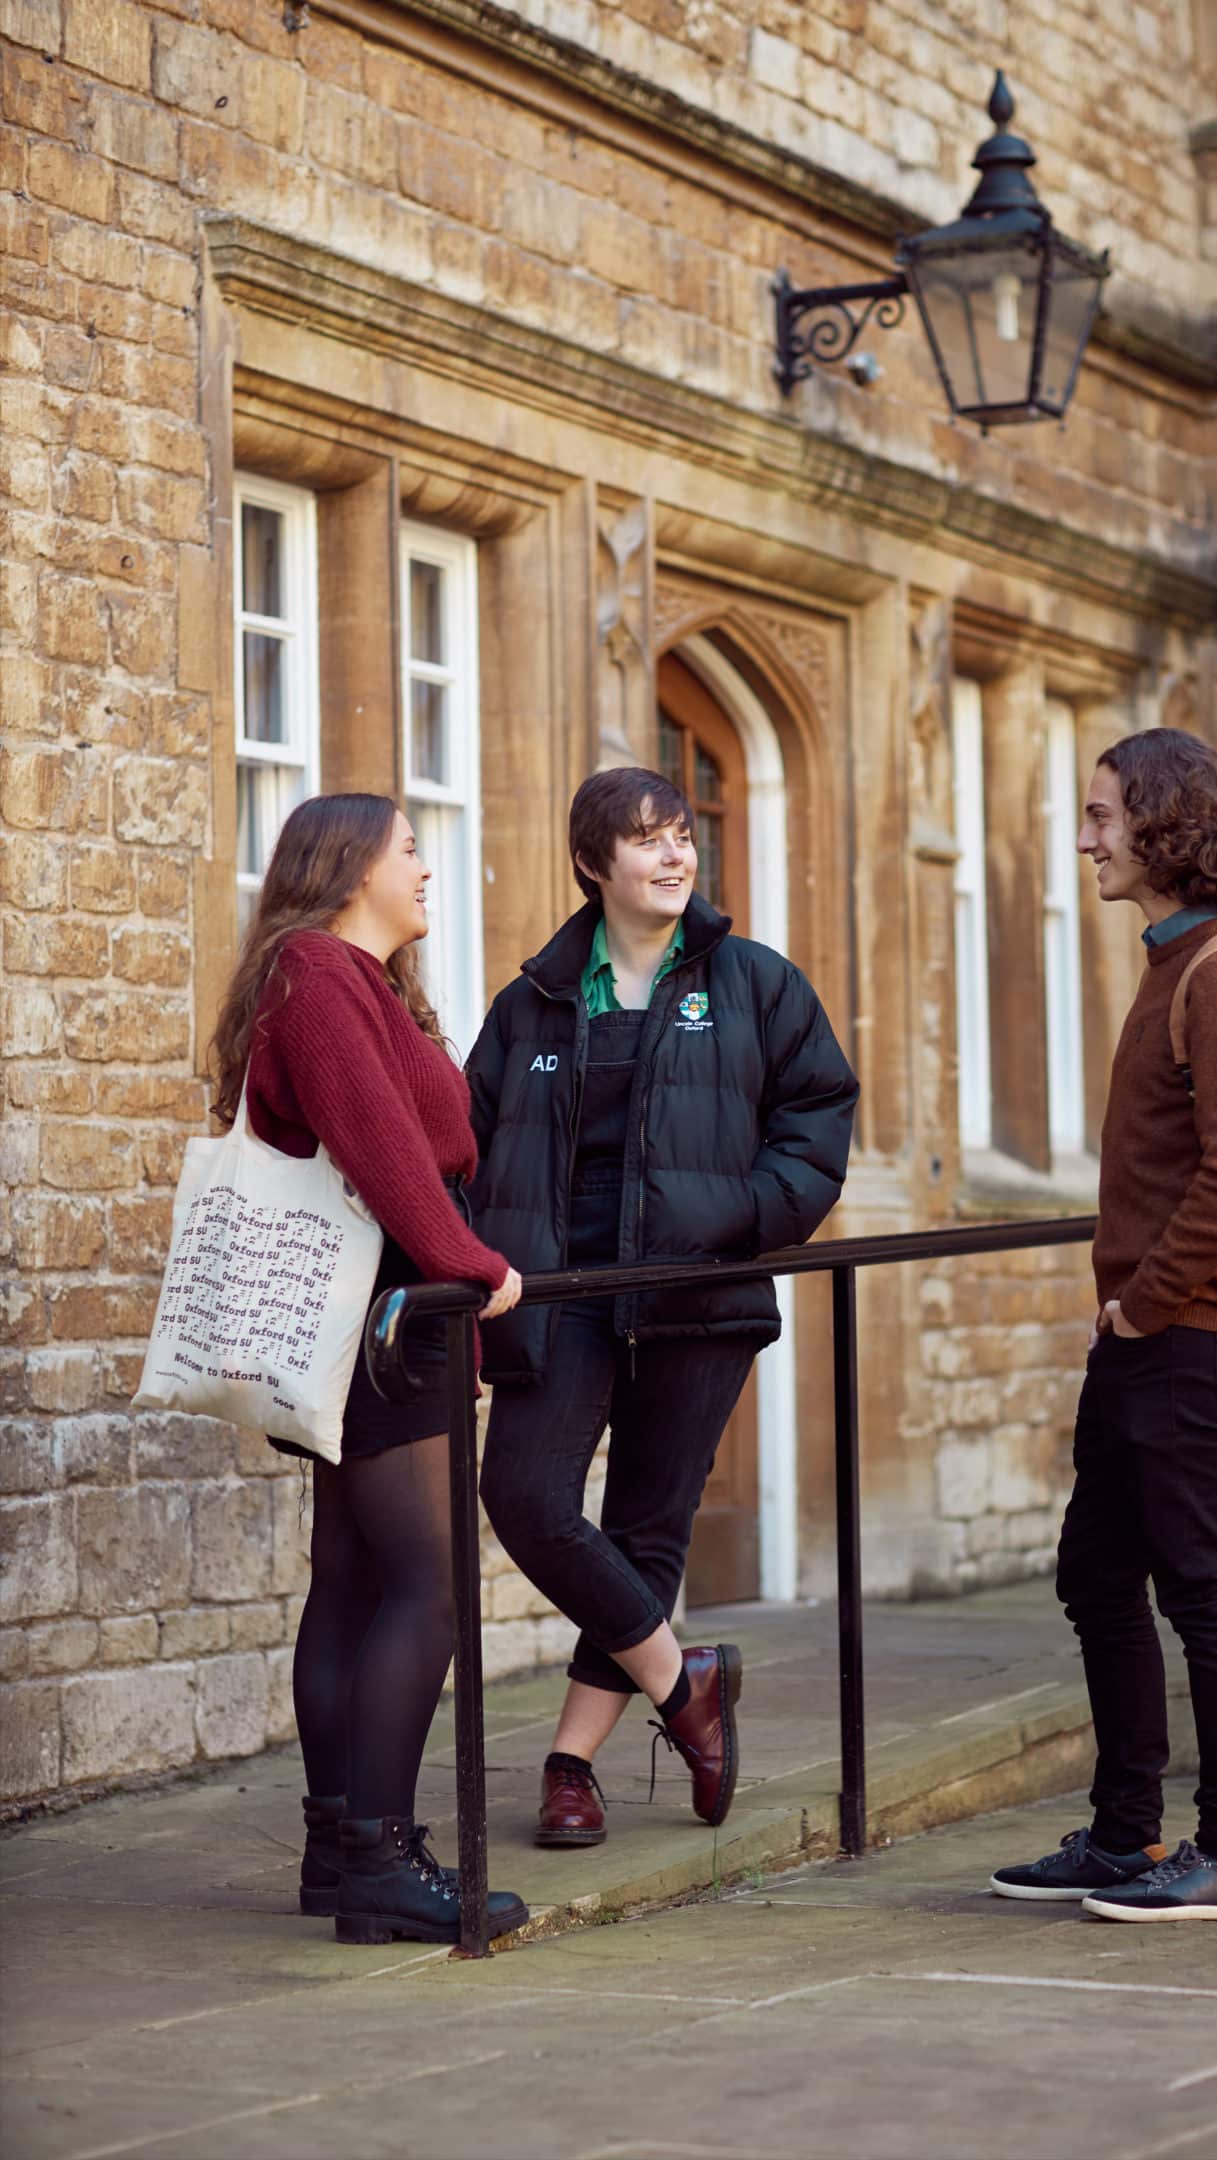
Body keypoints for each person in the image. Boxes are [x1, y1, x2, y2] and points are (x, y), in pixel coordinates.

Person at [466, 766, 858, 1848]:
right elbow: (470, 1145)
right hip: (560, 1295)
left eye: (681, 834)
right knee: (528, 1496)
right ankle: (684, 1686)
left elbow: (821, 1117)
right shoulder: (534, 1002)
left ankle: (570, 1766)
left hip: (699, 1287)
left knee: (648, 1526)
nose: (675, 854)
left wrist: (738, 1218)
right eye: (646, 839)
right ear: (595, 864)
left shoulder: (754, 984)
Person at [209, 792, 529, 1947]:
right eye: (408, 850)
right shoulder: (319, 974)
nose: (425, 868)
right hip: (387, 1319)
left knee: (351, 1581)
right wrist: (474, 1265)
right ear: (350, 869)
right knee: (425, 1589)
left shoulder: (350, 980)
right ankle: (382, 1862)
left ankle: (342, 1848)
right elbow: (385, 1151)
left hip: (364, 1317)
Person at [991, 729, 1217, 1922]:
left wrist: (1141, 1303)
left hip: (1194, 1334)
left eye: (1103, 816)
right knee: (1096, 1574)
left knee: (1205, 1590)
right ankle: (1126, 1838)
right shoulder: (1175, 963)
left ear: (1166, 826)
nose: (1086, 840)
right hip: (1148, 1336)